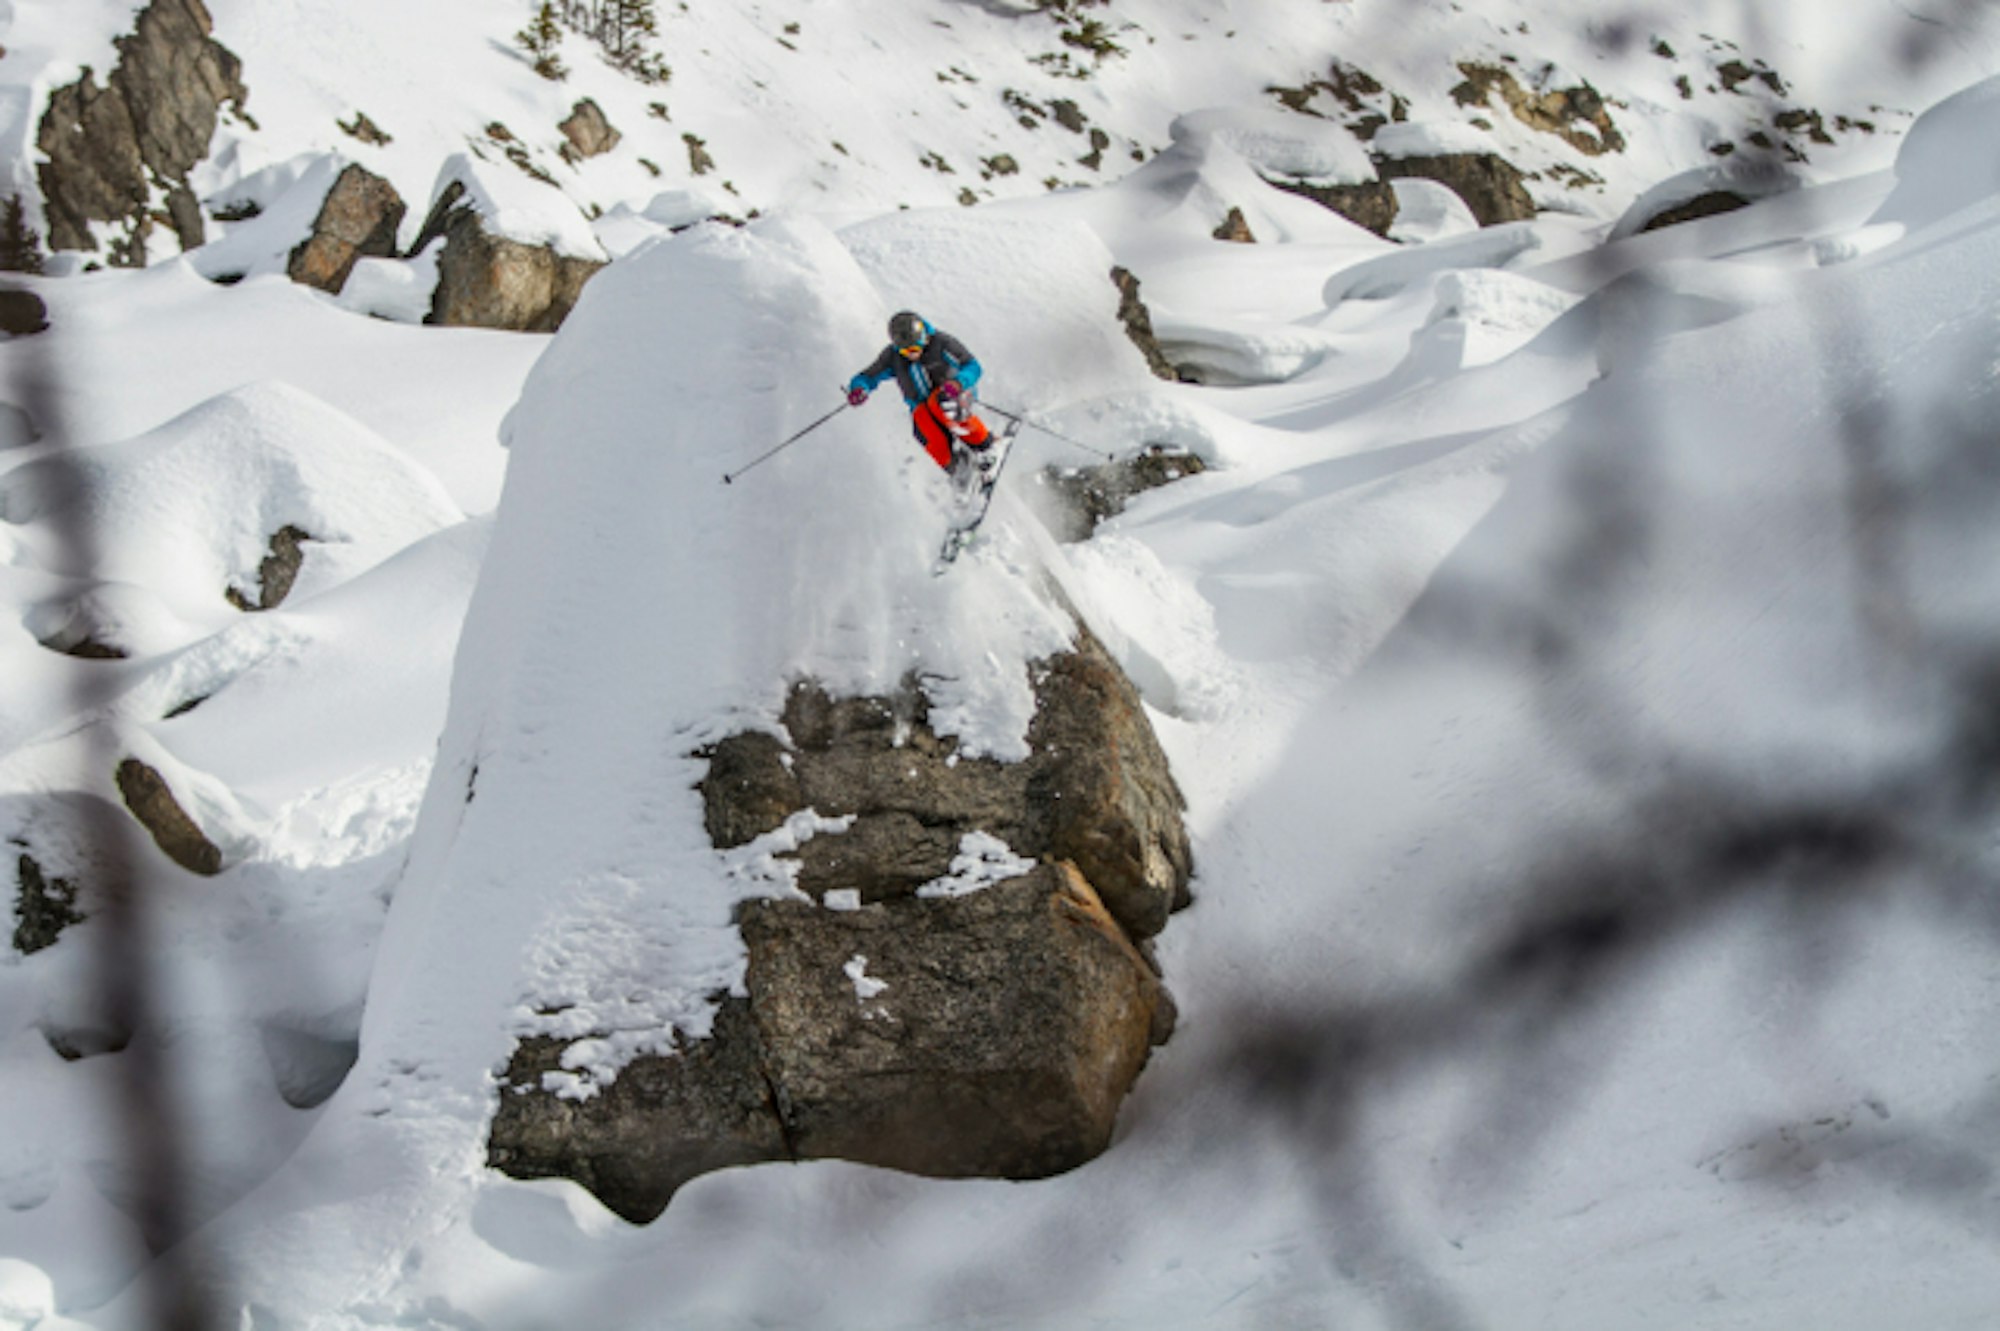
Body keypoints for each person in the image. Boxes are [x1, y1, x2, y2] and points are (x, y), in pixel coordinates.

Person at [846, 311, 995, 478]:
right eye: (905, 351)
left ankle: (985, 446)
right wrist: (860, 389)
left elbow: (973, 366)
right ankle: (958, 471)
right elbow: (867, 376)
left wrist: (958, 382)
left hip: (954, 394)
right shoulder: (893, 357)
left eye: (915, 348)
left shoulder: (942, 343)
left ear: (924, 337)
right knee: (923, 426)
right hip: (923, 406)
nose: (911, 354)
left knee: (939, 402)